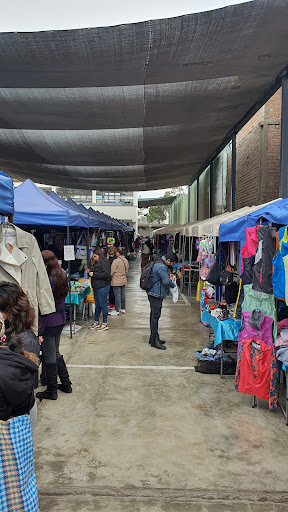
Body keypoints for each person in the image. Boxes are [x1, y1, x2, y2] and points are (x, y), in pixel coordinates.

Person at [0, 296, 40, 510]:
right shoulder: (18, 346)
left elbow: (27, 386)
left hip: (16, 417)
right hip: (19, 420)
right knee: (18, 479)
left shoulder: (24, 339)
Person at [0, 281, 40, 433]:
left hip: (17, 416)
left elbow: (20, 387)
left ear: (11, 310)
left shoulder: (26, 339)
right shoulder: (6, 332)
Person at [36, 250, 71, 401]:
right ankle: (66, 383)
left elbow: (44, 307)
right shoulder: (61, 274)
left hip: (50, 321)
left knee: (50, 356)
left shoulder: (48, 280)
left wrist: (39, 330)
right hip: (60, 319)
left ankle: (52, 391)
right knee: (55, 353)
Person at [147, 255, 176, 350]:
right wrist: (173, 285)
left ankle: (153, 337)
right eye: (172, 263)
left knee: (153, 315)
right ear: (168, 260)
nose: (172, 265)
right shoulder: (161, 266)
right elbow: (166, 281)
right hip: (156, 293)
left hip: (152, 292)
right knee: (155, 316)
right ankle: (154, 340)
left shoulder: (157, 263)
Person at [88, 248, 111, 331]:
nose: (94, 258)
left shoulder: (105, 262)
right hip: (96, 286)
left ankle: (104, 323)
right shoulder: (97, 263)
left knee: (103, 305)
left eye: (95, 256)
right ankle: (96, 321)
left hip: (102, 286)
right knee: (97, 305)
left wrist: (94, 274)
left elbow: (106, 275)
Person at [109, 247, 129, 316]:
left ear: (117, 253)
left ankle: (117, 310)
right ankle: (123, 308)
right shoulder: (125, 260)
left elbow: (112, 271)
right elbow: (126, 270)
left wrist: (109, 277)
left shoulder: (116, 261)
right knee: (122, 295)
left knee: (117, 295)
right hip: (123, 279)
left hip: (116, 280)